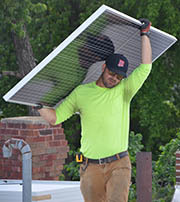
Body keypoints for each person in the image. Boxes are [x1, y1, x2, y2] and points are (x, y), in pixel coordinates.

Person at [37, 18, 152, 202]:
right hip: (90, 166)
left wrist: (144, 34)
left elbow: (146, 67)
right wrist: (38, 105)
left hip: (119, 163)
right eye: (112, 73)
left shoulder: (125, 91)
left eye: (119, 77)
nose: (115, 78)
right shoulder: (82, 93)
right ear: (104, 67)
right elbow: (55, 118)